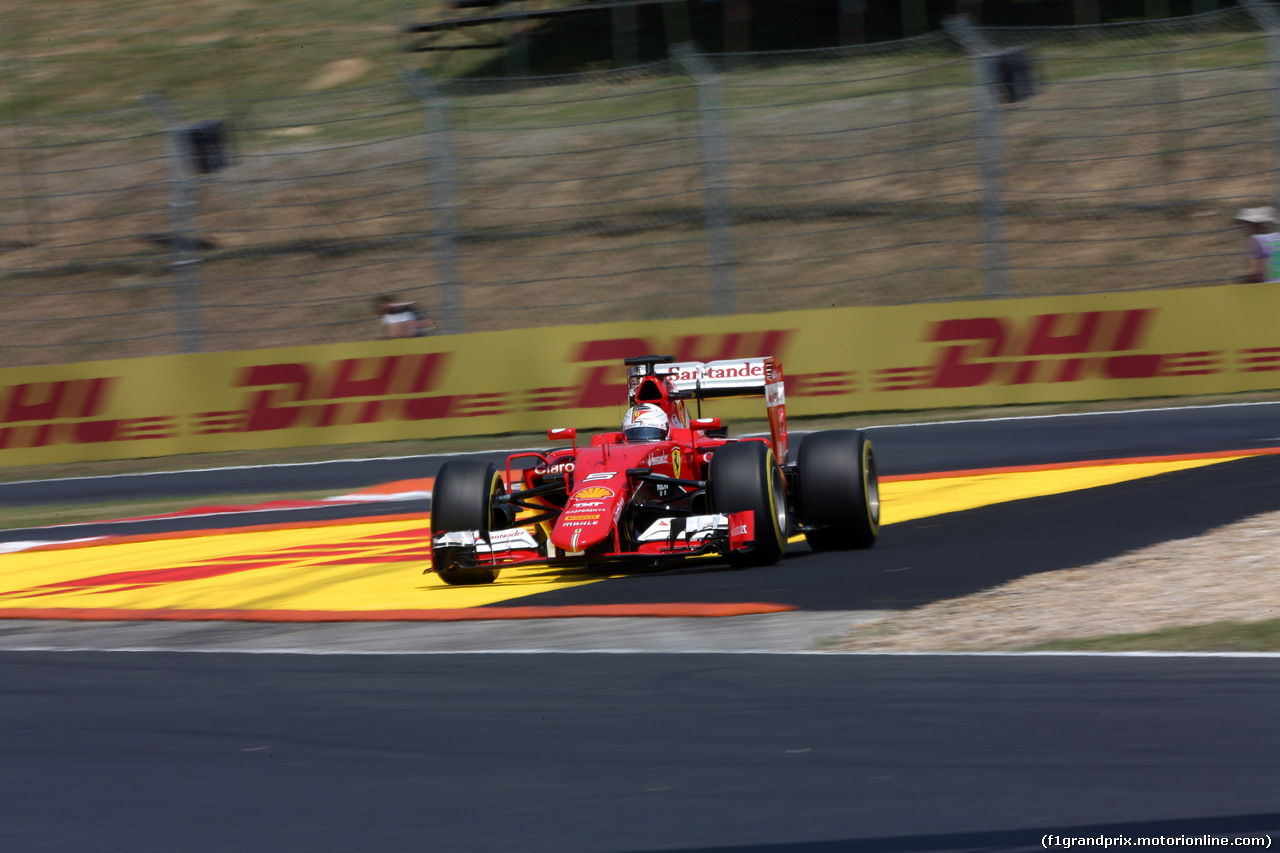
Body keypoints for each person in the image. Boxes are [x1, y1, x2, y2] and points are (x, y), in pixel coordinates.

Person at [1235, 207, 1280, 283]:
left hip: (1269, 286)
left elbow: (1257, 274)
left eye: (1245, 224)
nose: (1242, 227)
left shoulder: (1256, 240)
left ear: (1255, 225)